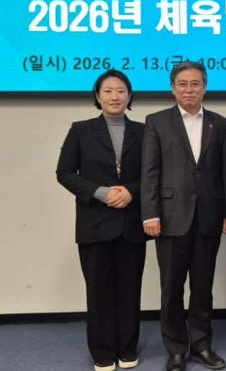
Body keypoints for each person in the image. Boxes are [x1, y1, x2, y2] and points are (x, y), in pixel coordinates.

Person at [141, 61, 226, 371]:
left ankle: (202, 344)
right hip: (170, 217)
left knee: (202, 287)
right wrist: (150, 214)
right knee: (171, 287)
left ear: (205, 87)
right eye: (183, 83)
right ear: (172, 88)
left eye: (196, 83)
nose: (189, 89)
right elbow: (150, 172)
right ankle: (176, 348)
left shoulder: (220, 124)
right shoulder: (156, 121)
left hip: (209, 216)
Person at [56, 69, 146, 371]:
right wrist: (101, 193)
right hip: (94, 224)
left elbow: (154, 173)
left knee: (130, 290)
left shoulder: (145, 131)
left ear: (130, 96)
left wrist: (131, 192)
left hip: (131, 224)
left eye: (121, 91)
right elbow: (65, 173)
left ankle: (127, 347)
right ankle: (103, 352)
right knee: (98, 292)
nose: (115, 96)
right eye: (108, 91)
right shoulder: (80, 130)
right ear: (97, 96)